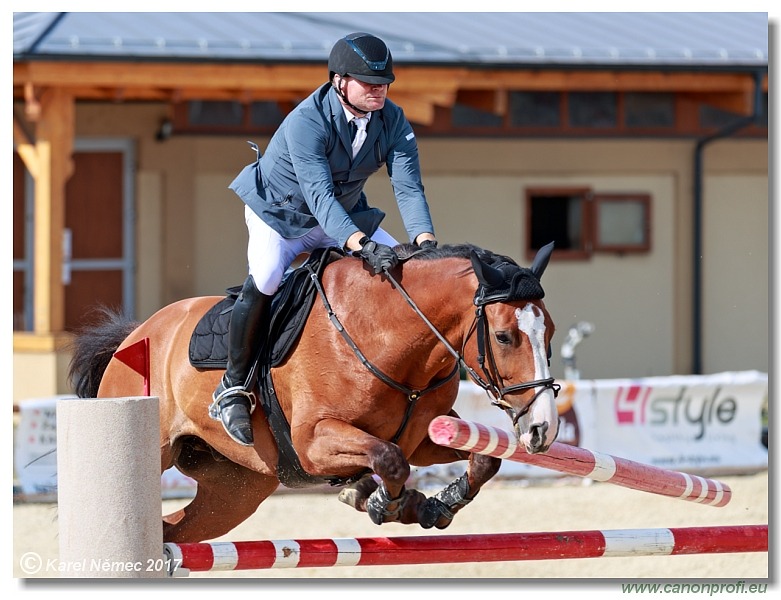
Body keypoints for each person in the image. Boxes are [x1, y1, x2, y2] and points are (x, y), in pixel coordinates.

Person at [210, 32, 438, 446]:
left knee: (406, 273)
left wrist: (424, 242)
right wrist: (359, 245)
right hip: (279, 215)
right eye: (368, 82)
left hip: (343, 213)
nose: (379, 89)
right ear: (338, 81)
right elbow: (319, 195)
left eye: (384, 82)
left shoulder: (393, 120)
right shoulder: (306, 121)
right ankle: (232, 387)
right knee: (266, 278)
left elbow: (408, 187)